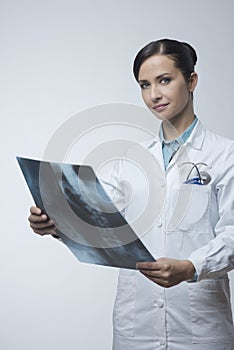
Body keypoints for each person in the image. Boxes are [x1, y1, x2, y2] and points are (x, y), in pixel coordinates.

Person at [28, 38, 234, 349]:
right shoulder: (129, 161)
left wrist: (191, 267)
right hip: (136, 327)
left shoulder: (225, 155)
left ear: (191, 80)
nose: (154, 95)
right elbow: (97, 220)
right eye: (144, 84)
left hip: (201, 328)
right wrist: (54, 223)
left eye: (165, 80)